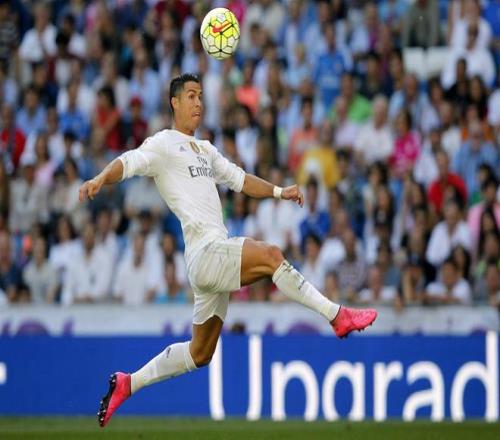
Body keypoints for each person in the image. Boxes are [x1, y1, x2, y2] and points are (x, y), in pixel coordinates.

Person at [78, 74, 377, 428]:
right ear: (174, 102)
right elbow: (128, 162)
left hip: (209, 258)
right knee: (272, 255)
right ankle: (336, 315)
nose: (198, 103)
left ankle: (129, 383)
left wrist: (279, 192)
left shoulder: (205, 150)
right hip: (205, 252)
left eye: (201, 96)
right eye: (191, 96)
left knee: (200, 353)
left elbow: (240, 180)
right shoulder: (163, 144)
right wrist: (100, 178)